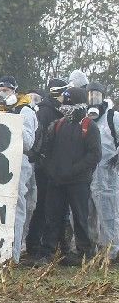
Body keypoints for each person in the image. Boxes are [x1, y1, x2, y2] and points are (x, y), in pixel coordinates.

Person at [36, 87, 102, 265]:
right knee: (52, 217)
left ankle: (85, 255)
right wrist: (51, 170)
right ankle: (48, 253)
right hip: (56, 181)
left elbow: (95, 155)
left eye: (69, 103)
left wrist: (73, 170)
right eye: (64, 103)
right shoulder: (58, 124)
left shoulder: (90, 126)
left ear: (79, 105)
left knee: (80, 218)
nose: (65, 106)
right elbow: (48, 151)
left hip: (79, 181)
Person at [0, 76, 38, 262]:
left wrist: (12, 123)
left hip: (20, 163)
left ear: (14, 91)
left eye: (6, 90)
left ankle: (14, 254)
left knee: (17, 207)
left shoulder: (25, 111)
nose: (2, 94)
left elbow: (28, 142)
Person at [25, 78, 68, 259]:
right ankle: (35, 244)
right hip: (45, 166)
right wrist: (44, 159)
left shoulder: (59, 111)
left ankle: (54, 244)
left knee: (55, 207)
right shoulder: (44, 112)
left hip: (56, 165)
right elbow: (40, 140)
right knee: (43, 206)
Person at [88, 81, 119, 259]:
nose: (94, 99)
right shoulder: (85, 118)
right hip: (87, 175)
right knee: (86, 215)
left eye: (97, 95)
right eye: (90, 95)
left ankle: (112, 252)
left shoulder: (112, 117)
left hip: (108, 176)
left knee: (109, 215)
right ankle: (89, 249)